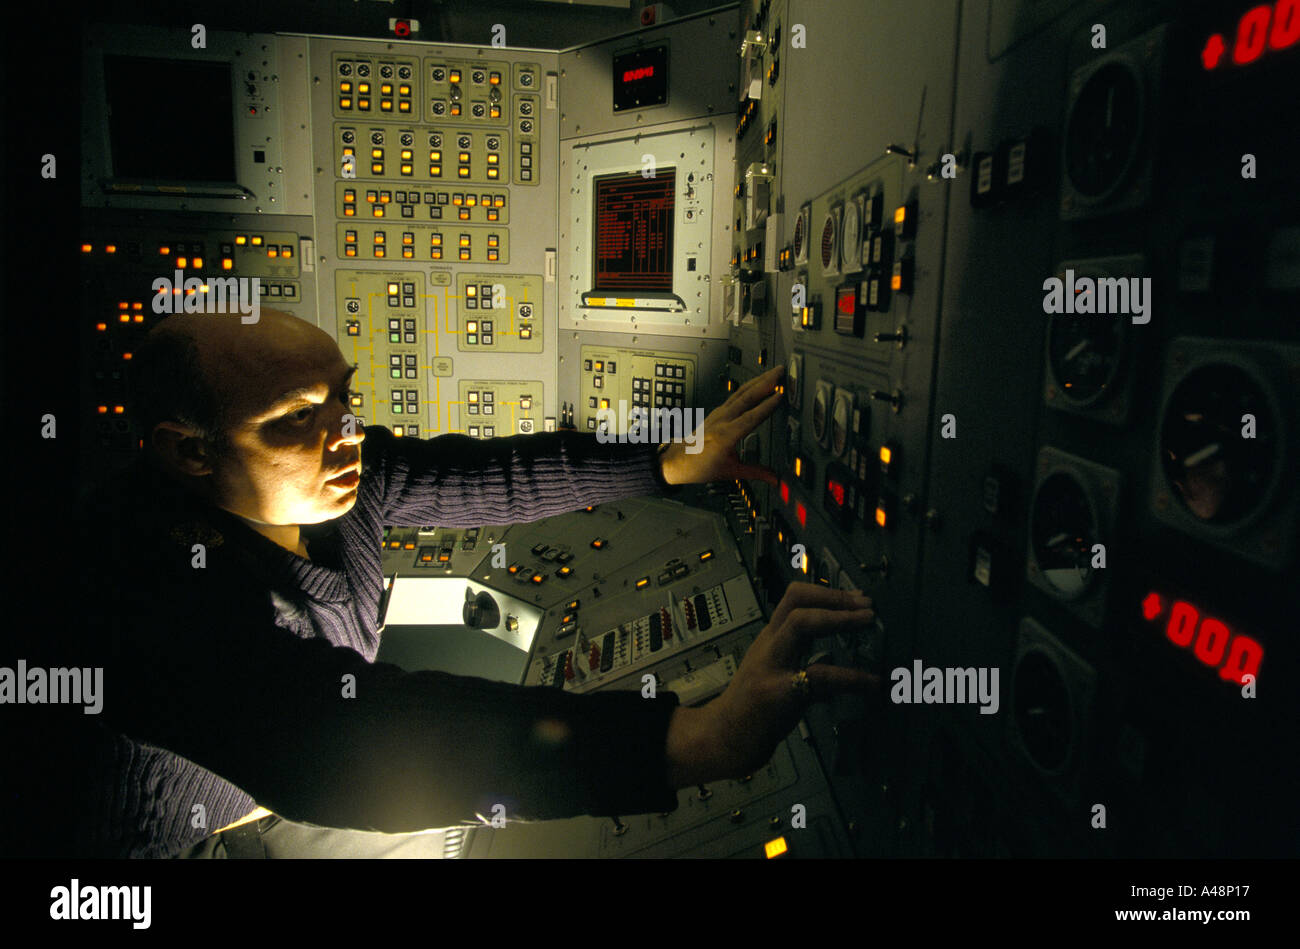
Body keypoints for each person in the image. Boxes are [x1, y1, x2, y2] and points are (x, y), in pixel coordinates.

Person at [57, 309, 876, 857]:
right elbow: (331, 741)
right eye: (297, 419)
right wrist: (691, 742)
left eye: (343, 396)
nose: (345, 434)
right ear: (189, 453)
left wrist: (664, 460)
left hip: (263, 793)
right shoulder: (136, 580)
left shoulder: (335, 475)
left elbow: (487, 473)